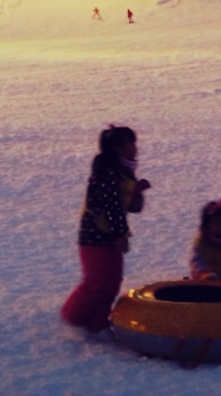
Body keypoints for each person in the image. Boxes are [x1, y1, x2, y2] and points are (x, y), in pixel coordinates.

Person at [61, 125, 150, 335]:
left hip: (110, 235)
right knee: (97, 281)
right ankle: (73, 316)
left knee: (112, 281)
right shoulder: (108, 173)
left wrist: (136, 192)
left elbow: (130, 207)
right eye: (131, 144)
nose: (135, 148)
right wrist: (120, 234)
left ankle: (98, 322)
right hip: (95, 237)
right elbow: (111, 206)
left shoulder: (124, 172)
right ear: (119, 148)